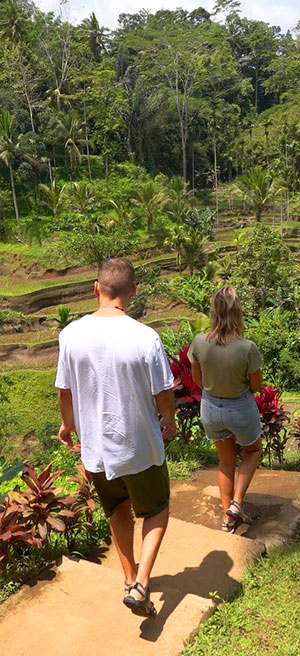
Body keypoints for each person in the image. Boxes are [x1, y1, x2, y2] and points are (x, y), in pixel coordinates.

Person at [55, 257, 176, 617]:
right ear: (133, 291)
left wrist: (68, 425)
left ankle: (128, 577)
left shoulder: (70, 335)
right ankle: (140, 583)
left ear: (96, 288)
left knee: (117, 508)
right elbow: (164, 393)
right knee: (156, 509)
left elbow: (64, 391)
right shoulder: (145, 337)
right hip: (139, 447)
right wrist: (168, 419)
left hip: (97, 451)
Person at [188, 286, 263, 533]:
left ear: (214, 311)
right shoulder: (247, 347)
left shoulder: (199, 342)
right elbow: (256, 386)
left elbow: (198, 380)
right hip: (239, 406)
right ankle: (237, 502)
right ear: (237, 312)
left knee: (225, 461)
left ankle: (227, 519)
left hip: (210, 407)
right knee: (252, 451)